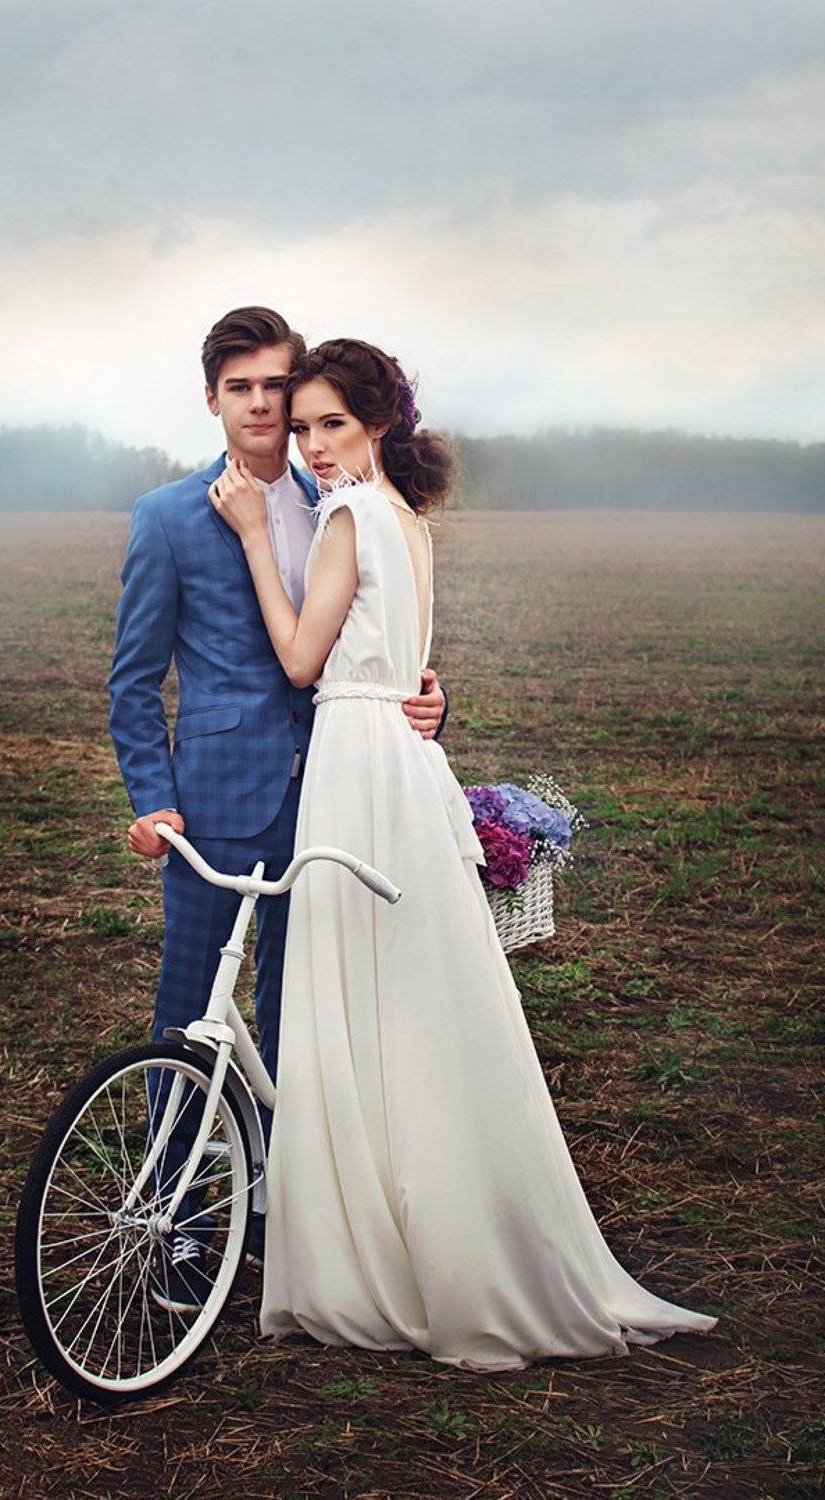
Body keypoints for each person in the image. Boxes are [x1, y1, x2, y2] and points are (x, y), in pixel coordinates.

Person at [208, 337, 718, 1371]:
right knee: (414, 1001)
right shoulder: (409, 518)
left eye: (331, 425)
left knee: (366, 995)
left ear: (378, 422)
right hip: (398, 762)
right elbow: (402, 660)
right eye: (301, 429)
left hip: (359, 762)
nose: (313, 447)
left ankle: (388, 1256)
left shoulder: (351, 514)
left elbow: (303, 660)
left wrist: (258, 536)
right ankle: (425, 1237)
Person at [108, 308, 449, 1307]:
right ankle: (174, 1218)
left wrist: (428, 699)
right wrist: (154, 802)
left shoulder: (339, 496)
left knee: (308, 1017)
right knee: (190, 1016)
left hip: (335, 797)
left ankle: (285, 1215)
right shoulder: (168, 517)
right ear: (212, 400)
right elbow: (133, 683)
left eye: (275, 387)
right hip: (215, 803)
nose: (262, 406)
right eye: (241, 388)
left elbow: (371, 638)